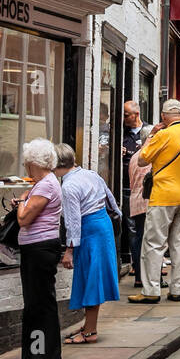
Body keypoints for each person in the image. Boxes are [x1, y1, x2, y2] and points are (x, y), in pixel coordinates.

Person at [129, 100, 180, 303]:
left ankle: (151, 291)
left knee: (154, 243)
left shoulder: (162, 135)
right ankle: (177, 289)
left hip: (163, 196)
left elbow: (142, 160)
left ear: (163, 117)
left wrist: (152, 135)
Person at [54, 144, 121, 342]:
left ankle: (90, 332)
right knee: (93, 276)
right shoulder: (90, 174)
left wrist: (69, 250)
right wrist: (117, 217)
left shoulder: (68, 186)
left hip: (89, 230)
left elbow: (73, 221)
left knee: (91, 278)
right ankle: (88, 325)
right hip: (102, 225)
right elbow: (110, 200)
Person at [11, 138, 62, 359]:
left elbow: (24, 219)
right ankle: (30, 354)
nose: (25, 168)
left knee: (41, 303)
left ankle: (43, 357)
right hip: (34, 248)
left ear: (34, 163)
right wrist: (24, 201)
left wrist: (21, 202)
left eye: (26, 163)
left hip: (41, 249)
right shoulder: (41, 184)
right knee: (32, 303)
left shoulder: (45, 185)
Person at [127, 124, 153, 288]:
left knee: (138, 238)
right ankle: (145, 276)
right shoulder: (147, 157)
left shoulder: (135, 155)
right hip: (147, 202)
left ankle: (138, 275)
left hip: (135, 201)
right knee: (147, 240)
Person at [121, 100, 145, 266]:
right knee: (131, 228)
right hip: (126, 184)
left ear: (136, 115)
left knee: (143, 228)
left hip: (143, 187)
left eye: (126, 115)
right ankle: (134, 262)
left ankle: (142, 263)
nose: (123, 118)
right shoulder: (120, 132)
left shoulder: (149, 132)